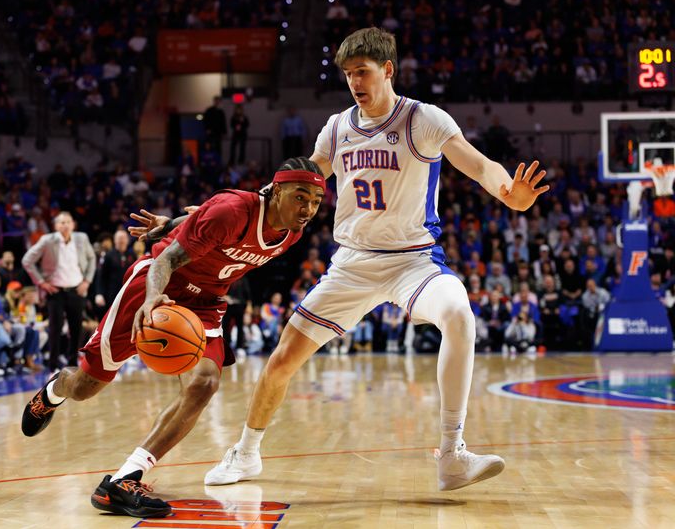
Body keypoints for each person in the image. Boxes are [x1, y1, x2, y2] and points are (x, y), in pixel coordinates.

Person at [205, 27, 548, 491]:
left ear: (388, 70)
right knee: (282, 360)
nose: (355, 83)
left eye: (362, 72)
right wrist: (218, 211)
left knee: (459, 315)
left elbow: (479, 164)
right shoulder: (337, 127)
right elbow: (297, 182)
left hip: (413, 261)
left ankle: (452, 453)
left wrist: (510, 193)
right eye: (348, 75)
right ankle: (245, 453)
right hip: (352, 263)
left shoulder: (423, 119)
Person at [19, 158, 325, 519]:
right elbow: (166, 260)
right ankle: (56, 389)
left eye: (316, 202)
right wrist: (152, 298)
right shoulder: (232, 211)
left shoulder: (292, 232)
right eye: (299, 197)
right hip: (159, 284)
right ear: (276, 191)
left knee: (205, 383)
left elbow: (200, 223)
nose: (307, 209)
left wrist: (174, 223)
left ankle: (125, 479)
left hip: (207, 302)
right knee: (86, 386)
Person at [21, 212, 95, 370]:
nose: (65, 225)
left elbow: (92, 258)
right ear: (55, 226)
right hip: (55, 291)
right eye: (61, 222)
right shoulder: (47, 240)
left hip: (77, 289)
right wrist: (41, 282)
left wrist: (87, 281)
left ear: (73, 224)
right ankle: (53, 365)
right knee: (55, 328)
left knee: (76, 328)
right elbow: (27, 260)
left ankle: (72, 363)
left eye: (68, 222)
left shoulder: (81, 238)